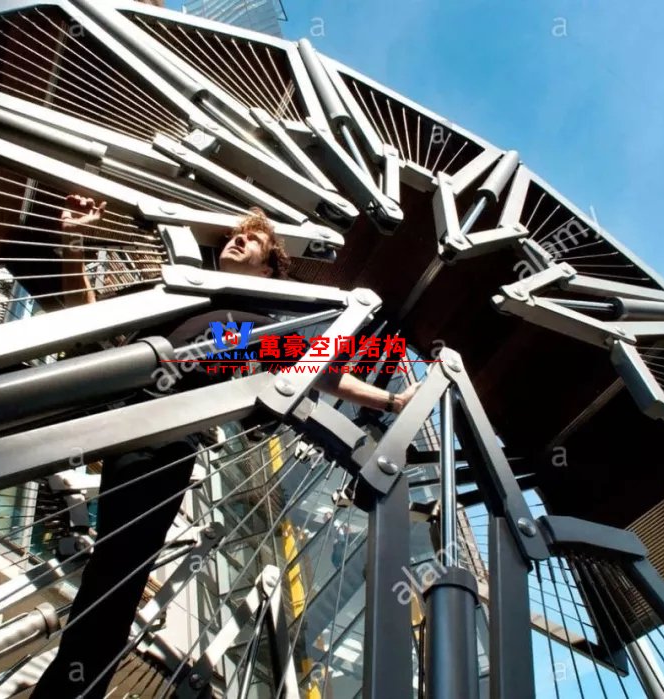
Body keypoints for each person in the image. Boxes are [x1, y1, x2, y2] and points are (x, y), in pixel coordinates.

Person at [30, 198, 419, 699]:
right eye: (237, 234)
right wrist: (72, 240)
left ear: (267, 269)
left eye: (253, 240)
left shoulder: (251, 320)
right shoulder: (176, 291)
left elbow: (322, 372)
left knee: (115, 580)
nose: (239, 239)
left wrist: (391, 399)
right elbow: (89, 319)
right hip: (103, 399)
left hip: (164, 435)